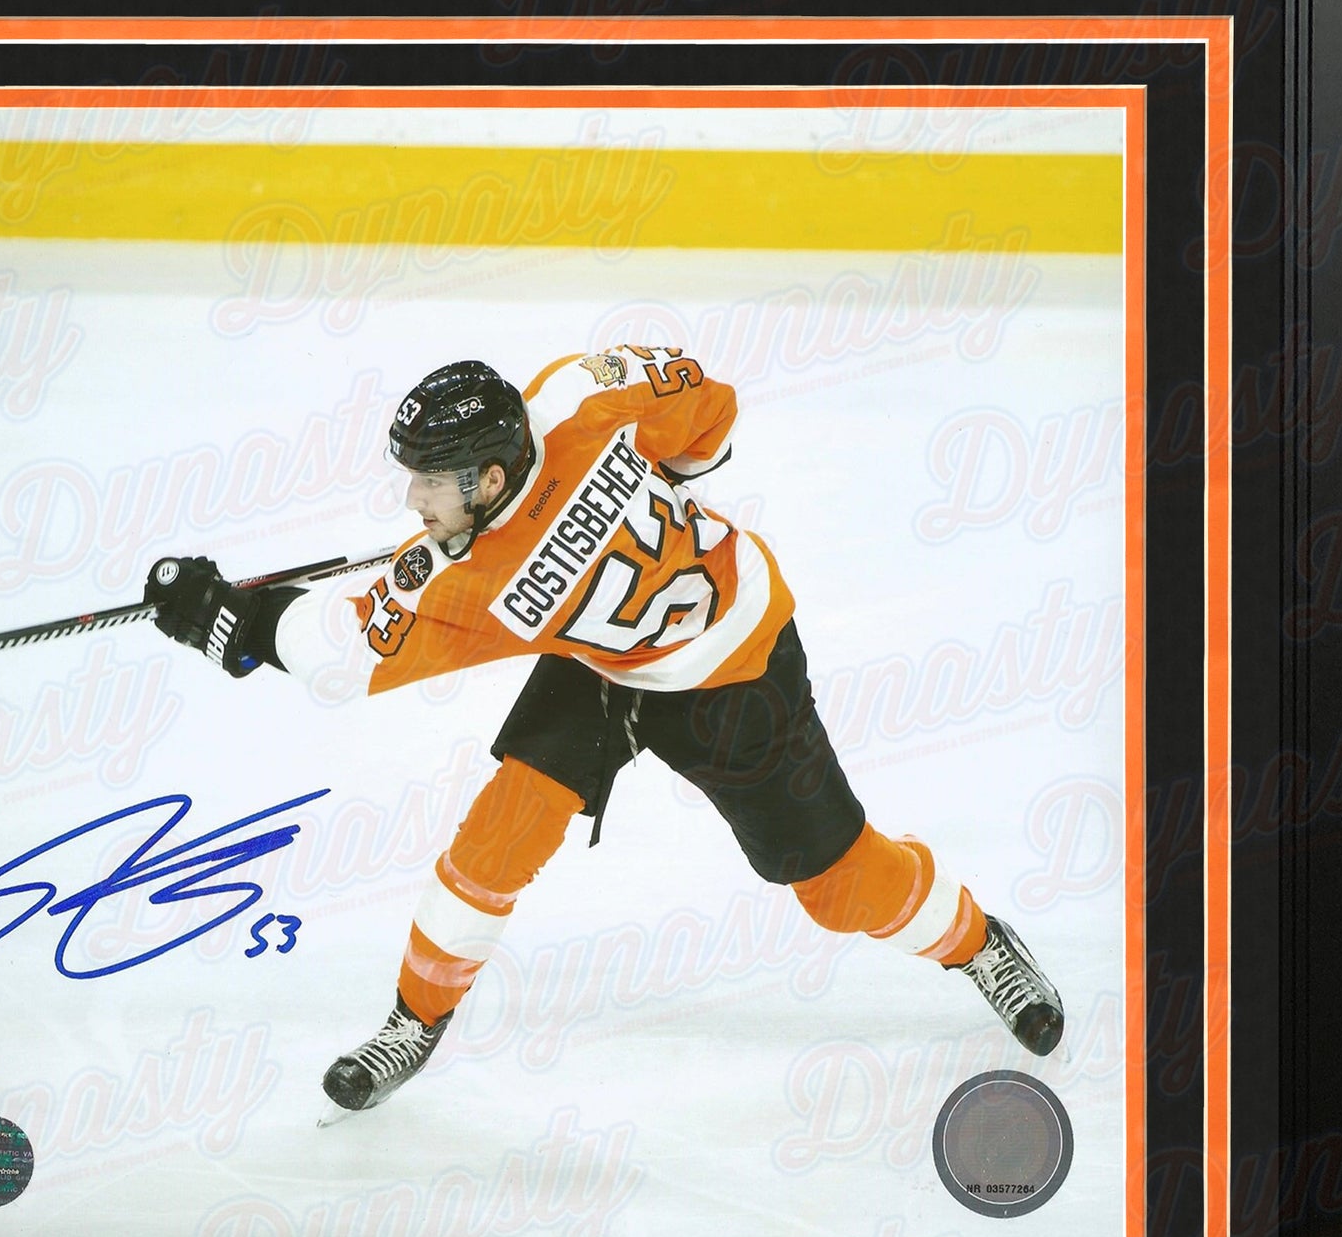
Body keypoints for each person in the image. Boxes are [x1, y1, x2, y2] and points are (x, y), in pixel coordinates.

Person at [143, 349, 1063, 1113]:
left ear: (490, 478)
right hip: (606, 665)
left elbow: (341, 654)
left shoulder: (479, 586)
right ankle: (414, 1022)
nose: (412, 499)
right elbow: (709, 411)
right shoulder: (578, 394)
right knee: (499, 837)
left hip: (736, 672)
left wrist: (229, 620)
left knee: (837, 885)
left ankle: (980, 943)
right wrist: (658, 483)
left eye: (430, 481)